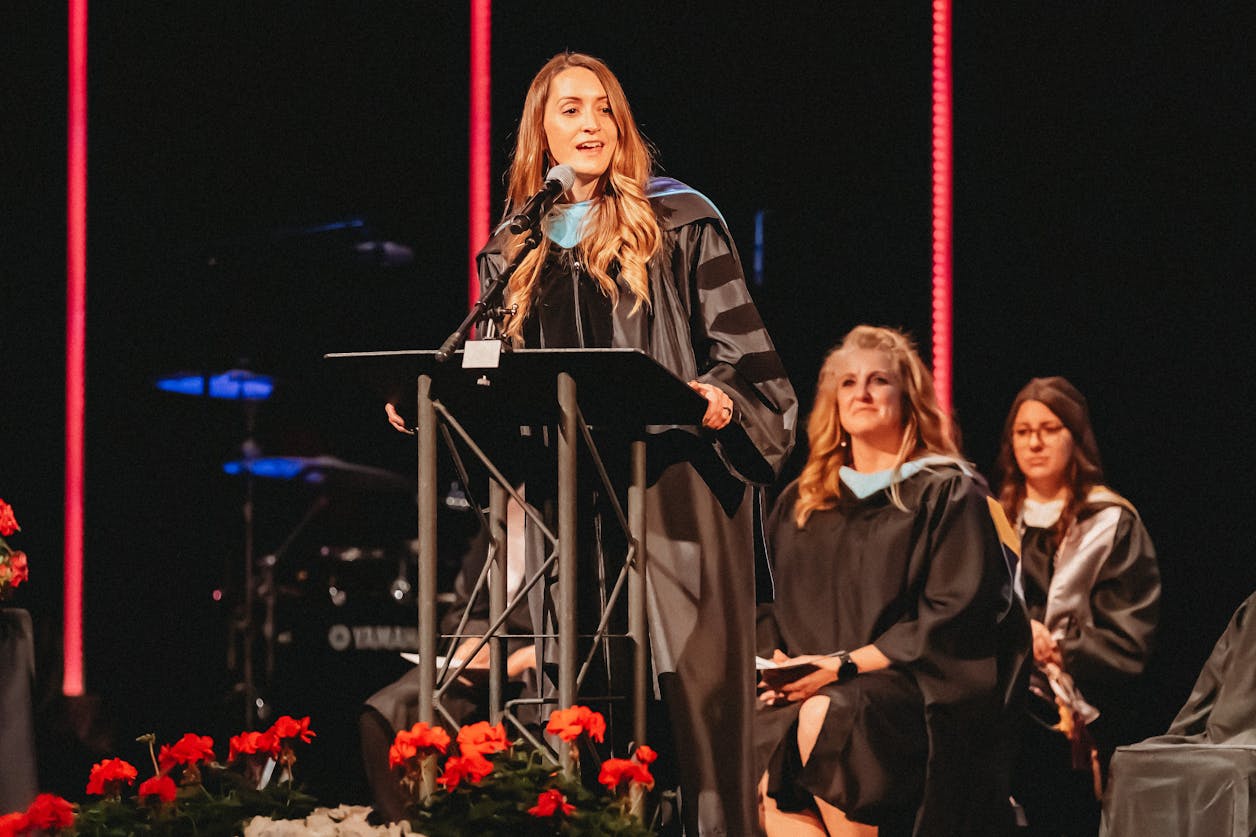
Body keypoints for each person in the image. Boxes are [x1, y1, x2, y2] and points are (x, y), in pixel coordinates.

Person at [388, 52, 797, 836]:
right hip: (566, 503)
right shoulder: (515, 245)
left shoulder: (678, 218)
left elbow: (747, 361)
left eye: (605, 109)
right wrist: (438, 395)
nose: (591, 125)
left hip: (674, 488)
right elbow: (500, 369)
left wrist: (721, 397)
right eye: (571, 109)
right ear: (540, 129)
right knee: (581, 705)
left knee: (691, 716)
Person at [755, 325, 1029, 837]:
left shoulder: (948, 492)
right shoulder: (803, 501)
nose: (861, 392)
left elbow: (957, 613)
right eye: (847, 382)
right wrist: (780, 663)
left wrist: (840, 667)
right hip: (814, 685)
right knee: (753, 739)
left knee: (832, 718)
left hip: (916, 692)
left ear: (908, 400)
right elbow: (769, 606)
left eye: (879, 380)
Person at [996, 377, 1160, 837]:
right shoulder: (994, 519)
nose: (1034, 442)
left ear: (1076, 436)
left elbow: (1128, 641)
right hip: (1004, 686)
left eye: (1049, 429)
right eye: (1023, 431)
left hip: (1083, 702)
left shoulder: (1111, 523)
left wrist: (1055, 648)